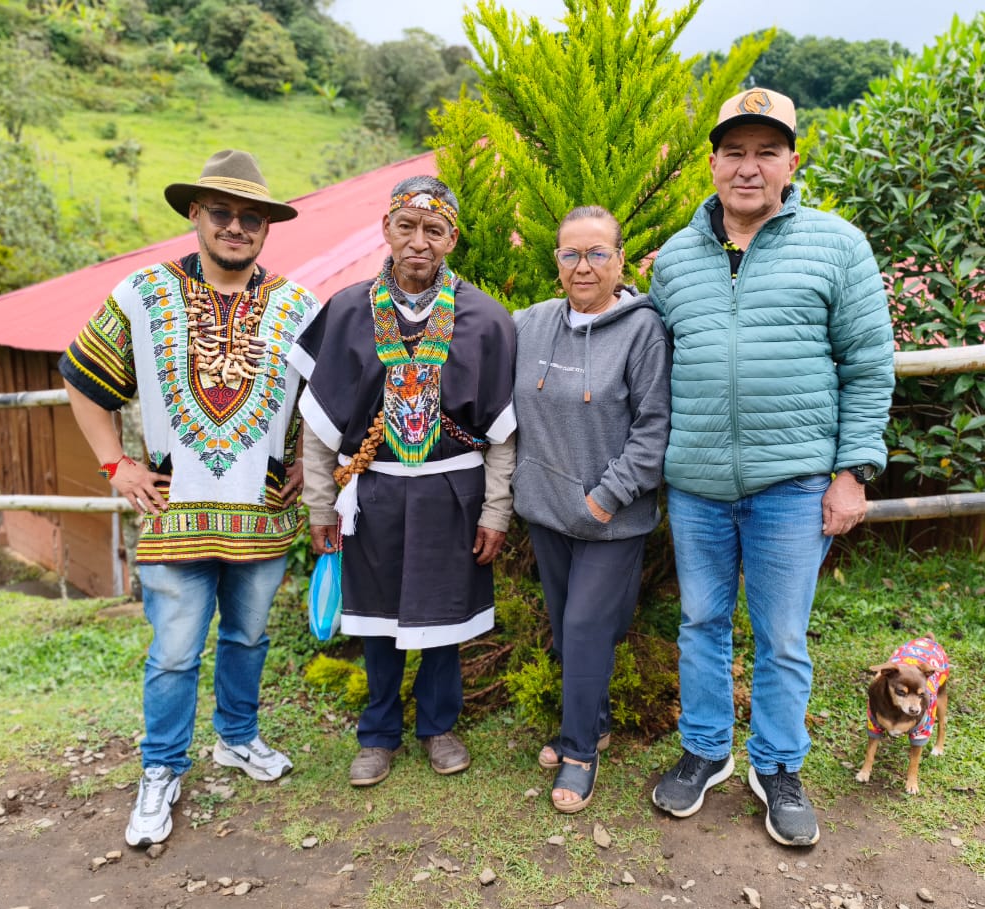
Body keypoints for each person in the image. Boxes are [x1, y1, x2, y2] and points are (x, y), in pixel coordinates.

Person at [648, 88, 895, 845]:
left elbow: (869, 362)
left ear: (792, 161)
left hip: (793, 482)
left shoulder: (837, 245)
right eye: (733, 151)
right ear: (714, 162)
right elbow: (650, 363)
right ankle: (705, 753)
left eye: (765, 151)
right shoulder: (676, 260)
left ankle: (778, 767)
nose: (747, 167)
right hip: (694, 483)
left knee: (784, 635)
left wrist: (852, 471)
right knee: (700, 623)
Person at [59, 149, 320, 847]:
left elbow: (331, 401)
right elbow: (82, 383)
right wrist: (115, 464)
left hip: (262, 513)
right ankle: (161, 769)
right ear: (195, 215)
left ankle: (237, 738)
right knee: (174, 653)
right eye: (223, 213)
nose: (237, 227)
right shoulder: (141, 296)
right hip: (174, 514)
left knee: (248, 638)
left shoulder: (298, 307)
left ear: (267, 228)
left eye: (251, 217)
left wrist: (307, 463)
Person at [295, 175, 516, 787]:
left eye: (434, 229)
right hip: (374, 494)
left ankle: (440, 727)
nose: (419, 241)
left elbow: (503, 434)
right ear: (387, 230)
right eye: (407, 227)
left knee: (445, 618)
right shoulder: (344, 312)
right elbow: (316, 425)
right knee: (378, 619)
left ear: (451, 238)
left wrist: (495, 512)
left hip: (453, 494)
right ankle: (378, 733)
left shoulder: (486, 320)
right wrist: (319, 506)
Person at [511, 206, 669, 813]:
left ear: (620, 260)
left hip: (611, 520)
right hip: (545, 513)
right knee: (567, 630)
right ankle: (595, 720)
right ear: (556, 260)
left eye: (597, 253)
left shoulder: (642, 330)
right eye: (570, 254)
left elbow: (653, 430)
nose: (583, 266)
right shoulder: (530, 325)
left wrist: (604, 501)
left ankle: (579, 752)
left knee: (583, 632)